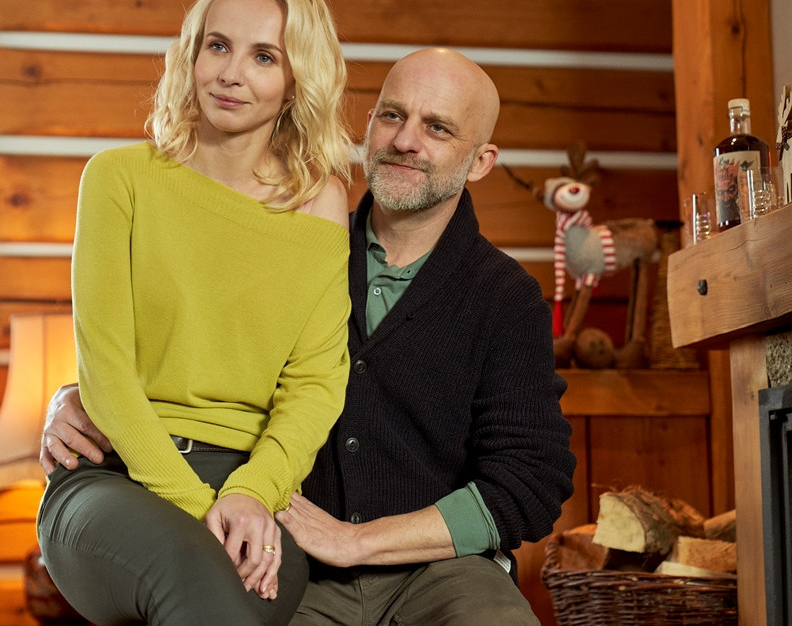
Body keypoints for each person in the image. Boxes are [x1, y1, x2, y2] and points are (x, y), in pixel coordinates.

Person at [42, 48, 577, 625]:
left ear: (480, 161)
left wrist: (360, 541)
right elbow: (192, 355)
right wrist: (77, 395)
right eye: (392, 116)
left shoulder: (506, 297)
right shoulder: (293, 247)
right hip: (292, 562)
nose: (405, 140)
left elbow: (530, 481)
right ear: (368, 125)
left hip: (447, 575)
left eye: (438, 128)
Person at [36, 0, 353, 626]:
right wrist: (201, 508)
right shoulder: (119, 179)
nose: (231, 74)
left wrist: (252, 494)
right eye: (218, 46)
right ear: (192, 54)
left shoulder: (321, 204)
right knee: (192, 573)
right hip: (112, 477)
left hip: (254, 494)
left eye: (264, 57)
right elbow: (106, 368)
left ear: (297, 79)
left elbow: (315, 384)